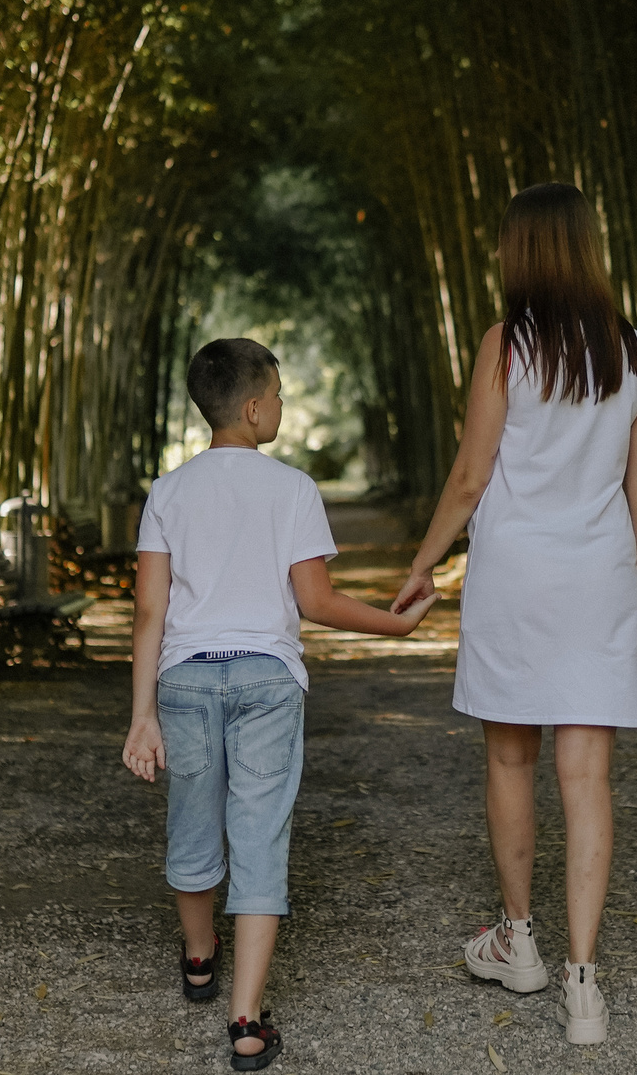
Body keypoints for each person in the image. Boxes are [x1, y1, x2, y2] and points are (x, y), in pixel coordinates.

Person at [391, 182, 637, 1047]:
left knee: (510, 760)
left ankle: (521, 941)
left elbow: (471, 476)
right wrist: (625, 577)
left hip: (515, 578)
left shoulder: (507, 346)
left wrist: (422, 563)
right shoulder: (634, 353)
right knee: (587, 779)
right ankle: (584, 986)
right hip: (598, 579)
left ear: (524, 251)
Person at [121, 337, 432, 1071]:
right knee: (258, 838)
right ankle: (245, 1017)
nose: (284, 406)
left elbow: (147, 613)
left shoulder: (168, 491)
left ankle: (200, 959)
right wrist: (398, 621)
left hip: (187, 678)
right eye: (282, 395)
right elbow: (316, 601)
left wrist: (142, 713)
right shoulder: (292, 488)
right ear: (255, 407)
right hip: (266, 677)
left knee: (192, 823)